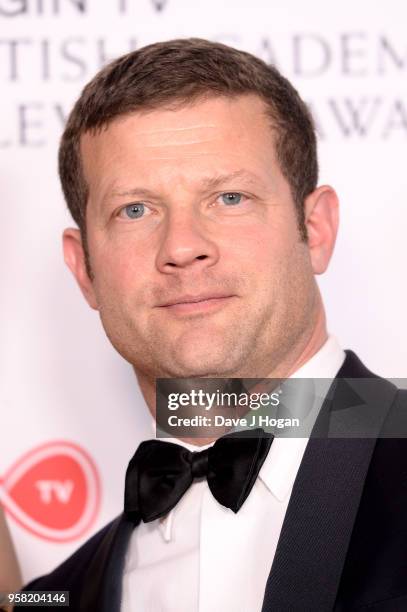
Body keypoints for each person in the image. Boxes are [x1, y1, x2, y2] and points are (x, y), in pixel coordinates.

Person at [16, 38, 407, 612]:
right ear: (85, 270)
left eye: (229, 197)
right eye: (135, 210)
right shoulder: (55, 598)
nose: (181, 247)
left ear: (316, 229)